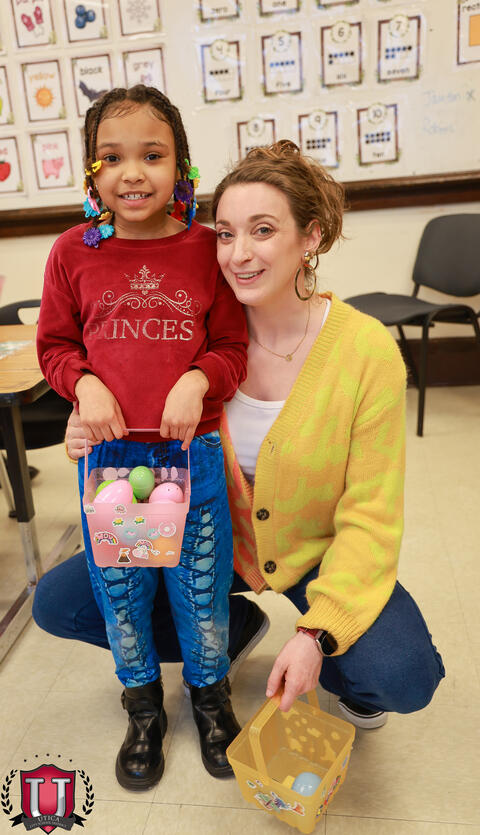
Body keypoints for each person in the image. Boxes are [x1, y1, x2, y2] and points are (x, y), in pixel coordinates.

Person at [34, 141, 444, 753]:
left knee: (400, 674)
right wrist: (85, 425)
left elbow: (372, 516)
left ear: (312, 237)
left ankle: (344, 674)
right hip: (204, 541)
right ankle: (233, 627)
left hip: (314, 556)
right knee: (64, 604)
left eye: (263, 230)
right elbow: (126, 403)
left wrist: (318, 636)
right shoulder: (191, 330)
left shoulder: (365, 352)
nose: (238, 254)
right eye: (224, 233)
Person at [36, 85, 250, 790]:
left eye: (152, 155)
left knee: (198, 586)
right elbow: (57, 345)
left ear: (181, 167)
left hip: (193, 454)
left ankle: (211, 695)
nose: (133, 172)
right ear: (91, 173)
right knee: (124, 591)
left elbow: (230, 346)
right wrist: (82, 384)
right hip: (117, 464)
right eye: (113, 157)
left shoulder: (206, 247)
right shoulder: (73, 252)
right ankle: (143, 704)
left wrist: (198, 380)